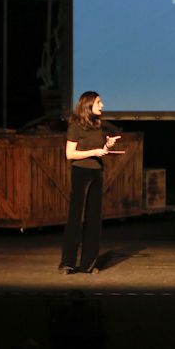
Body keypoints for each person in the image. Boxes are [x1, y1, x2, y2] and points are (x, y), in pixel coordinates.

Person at [59, 91, 121, 274]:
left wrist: (106, 146)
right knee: (75, 217)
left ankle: (88, 264)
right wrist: (94, 152)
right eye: (99, 102)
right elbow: (70, 154)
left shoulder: (98, 125)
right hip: (81, 173)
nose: (102, 105)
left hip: (97, 172)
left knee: (94, 219)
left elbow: (98, 150)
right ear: (88, 105)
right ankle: (67, 263)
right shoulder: (76, 126)